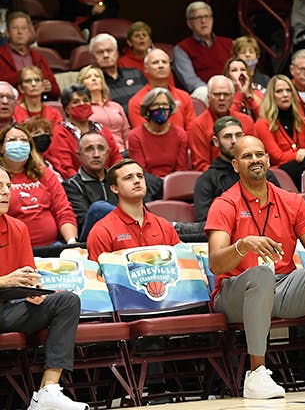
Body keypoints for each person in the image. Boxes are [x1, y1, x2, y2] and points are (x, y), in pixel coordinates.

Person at [205, 135, 305, 398]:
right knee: (262, 273)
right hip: (234, 293)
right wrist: (242, 245)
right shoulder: (224, 204)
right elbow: (216, 263)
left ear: (267, 159)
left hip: (283, 286)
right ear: (234, 165)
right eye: (247, 156)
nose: (255, 160)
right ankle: (256, 374)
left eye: (259, 154)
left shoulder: (292, 201)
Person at [0, 166, 88, 410]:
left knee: (67, 301)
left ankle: (47, 391)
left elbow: (29, 276)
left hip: (8, 311)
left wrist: (35, 291)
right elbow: (9, 280)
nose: (6, 192)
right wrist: (4, 281)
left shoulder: (17, 227)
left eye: (8, 186)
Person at [63, 132, 160, 240]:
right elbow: (85, 220)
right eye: (89, 149)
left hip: (130, 233)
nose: (96, 154)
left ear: (108, 153)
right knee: (98, 208)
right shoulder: (72, 185)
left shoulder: (118, 179)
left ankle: (162, 227)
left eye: (101, 148)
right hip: (93, 238)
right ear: (79, 155)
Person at [86, 159, 180, 261]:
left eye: (140, 176)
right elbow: (96, 275)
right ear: (114, 188)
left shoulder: (164, 226)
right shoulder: (101, 231)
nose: (137, 181)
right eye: (128, 178)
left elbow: (182, 267)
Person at [1, 123, 77, 246]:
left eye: (24, 140)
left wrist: (71, 242)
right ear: (1, 147)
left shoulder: (44, 173)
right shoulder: (1, 177)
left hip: (53, 246)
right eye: (12, 140)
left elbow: (62, 209)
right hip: (13, 247)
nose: (19, 143)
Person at [193, 116, 279, 224]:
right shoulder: (207, 180)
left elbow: (280, 212)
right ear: (216, 141)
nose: (234, 141)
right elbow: (204, 224)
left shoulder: (264, 173)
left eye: (238, 135)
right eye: (228, 136)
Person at [253, 75, 305, 187]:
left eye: (288, 90)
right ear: (271, 96)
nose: (285, 95)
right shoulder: (262, 125)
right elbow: (277, 157)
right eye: (279, 91)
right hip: (278, 172)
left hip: (304, 165)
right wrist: (297, 154)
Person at [46, 85, 120, 180]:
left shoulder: (101, 128)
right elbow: (65, 167)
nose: (82, 104)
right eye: (76, 102)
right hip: (79, 185)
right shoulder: (61, 132)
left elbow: (115, 157)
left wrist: (115, 179)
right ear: (67, 108)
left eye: (85, 100)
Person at [188, 75, 255, 171]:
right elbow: (201, 165)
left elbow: (252, 155)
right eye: (217, 94)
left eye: (226, 94)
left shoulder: (246, 121)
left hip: (245, 175)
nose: (222, 98)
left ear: (233, 98)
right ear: (208, 97)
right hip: (215, 179)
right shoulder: (198, 125)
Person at [173, 2, 234, 99]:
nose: (203, 21)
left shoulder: (230, 43)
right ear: (189, 24)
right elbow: (191, 81)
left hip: (231, 92)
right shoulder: (181, 49)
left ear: (212, 19)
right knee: (201, 91)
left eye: (207, 16)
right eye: (198, 18)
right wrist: (215, 94)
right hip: (205, 95)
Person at [127, 88, 190, 179]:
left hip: (174, 184)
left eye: (164, 104)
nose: (161, 108)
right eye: (156, 105)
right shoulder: (135, 136)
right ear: (148, 109)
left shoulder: (180, 134)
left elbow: (181, 169)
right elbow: (139, 171)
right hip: (148, 185)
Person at [127, 49, 194, 133]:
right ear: (145, 68)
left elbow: (191, 130)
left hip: (182, 144)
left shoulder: (184, 96)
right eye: (155, 62)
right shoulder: (137, 101)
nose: (161, 65)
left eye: (164, 62)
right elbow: (144, 135)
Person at [0, 12, 59, 99]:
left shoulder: (38, 58)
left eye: (24, 28)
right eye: (15, 28)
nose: (20, 32)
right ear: (8, 32)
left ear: (29, 32)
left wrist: (49, 88)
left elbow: (56, 91)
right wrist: (23, 75)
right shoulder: (1, 55)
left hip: (39, 103)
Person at [90, 33, 146, 115]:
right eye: (100, 52)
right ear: (93, 58)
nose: (106, 55)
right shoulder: (94, 83)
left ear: (116, 53)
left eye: (109, 51)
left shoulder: (135, 73)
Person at [78, 66, 129, 152]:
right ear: (81, 84)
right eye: (88, 77)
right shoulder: (83, 108)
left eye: (97, 76)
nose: (94, 79)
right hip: (100, 153)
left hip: (123, 151)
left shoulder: (116, 106)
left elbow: (126, 132)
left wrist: (129, 151)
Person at [227, 57, 264, 122]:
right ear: (228, 75)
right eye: (234, 70)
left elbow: (264, 118)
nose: (240, 73)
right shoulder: (223, 95)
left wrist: (249, 96)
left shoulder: (257, 93)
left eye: (243, 69)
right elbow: (229, 120)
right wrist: (240, 93)